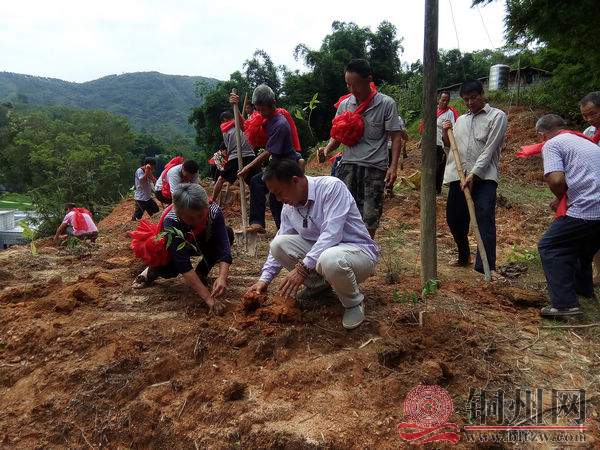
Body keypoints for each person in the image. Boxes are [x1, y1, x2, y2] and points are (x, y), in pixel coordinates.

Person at [246, 159, 380, 330]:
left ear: (295, 181)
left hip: (357, 254)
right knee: (277, 245)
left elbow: (332, 234)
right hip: (325, 257)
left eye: (279, 192)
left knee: (329, 258)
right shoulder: (289, 208)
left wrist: (302, 268)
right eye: (275, 195)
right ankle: (319, 289)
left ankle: (353, 303)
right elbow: (280, 242)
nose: (279, 200)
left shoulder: (331, 188)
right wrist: (264, 280)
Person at [318, 59, 403, 238]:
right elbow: (337, 135)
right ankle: (347, 251)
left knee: (370, 215)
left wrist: (393, 167)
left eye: (356, 85)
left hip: (374, 167)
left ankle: (366, 252)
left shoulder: (386, 104)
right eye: (348, 85)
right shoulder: (345, 105)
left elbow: (395, 136)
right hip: (348, 166)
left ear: (368, 80)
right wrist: (326, 150)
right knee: (344, 212)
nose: (352, 90)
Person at [534, 114, 600, 317]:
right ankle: (583, 290)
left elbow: (556, 180)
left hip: (587, 207)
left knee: (550, 246)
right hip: (597, 208)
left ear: (542, 134)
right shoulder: (585, 141)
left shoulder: (552, 144)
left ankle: (565, 305)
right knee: (582, 247)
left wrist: (561, 198)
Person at [132, 183, 233, 315]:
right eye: (191, 218)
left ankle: (201, 273)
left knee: (228, 233)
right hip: (174, 247)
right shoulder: (171, 221)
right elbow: (183, 264)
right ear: (180, 214)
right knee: (170, 271)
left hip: (199, 240)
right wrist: (209, 299)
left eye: (201, 215)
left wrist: (222, 277)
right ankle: (151, 271)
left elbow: (224, 246)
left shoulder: (214, 210)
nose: (197, 220)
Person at [441, 80, 507, 277]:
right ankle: (464, 256)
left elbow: (490, 150)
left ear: (482, 94)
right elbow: (450, 147)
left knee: (484, 219)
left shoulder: (497, 116)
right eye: (466, 99)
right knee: (454, 220)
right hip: (458, 177)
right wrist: (446, 133)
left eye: (474, 97)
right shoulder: (460, 120)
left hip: (484, 178)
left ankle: (485, 267)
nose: (470, 102)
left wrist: (474, 174)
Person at [231, 84, 303, 233]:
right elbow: (246, 127)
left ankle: (283, 230)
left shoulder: (280, 124)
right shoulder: (263, 118)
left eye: (262, 109)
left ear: (273, 104)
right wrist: (236, 107)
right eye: (257, 109)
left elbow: (268, 152)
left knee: (275, 196)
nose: (260, 113)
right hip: (276, 162)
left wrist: (248, 167)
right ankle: (258, 223)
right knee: (257, 182)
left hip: (287, 163)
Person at [211, 111, 259, 203]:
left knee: (221, 179)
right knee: (252, 181)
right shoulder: (243, 125)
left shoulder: (226, 131)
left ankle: (212, 200)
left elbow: (227, 147)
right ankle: (256, 201)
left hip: (236, 156)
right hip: (249, 155)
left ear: (224, 120)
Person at [579, 91, 600, 284]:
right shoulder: (588, 133)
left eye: (593, 113)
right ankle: (597, 272)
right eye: (585, 115)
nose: (589, 119)